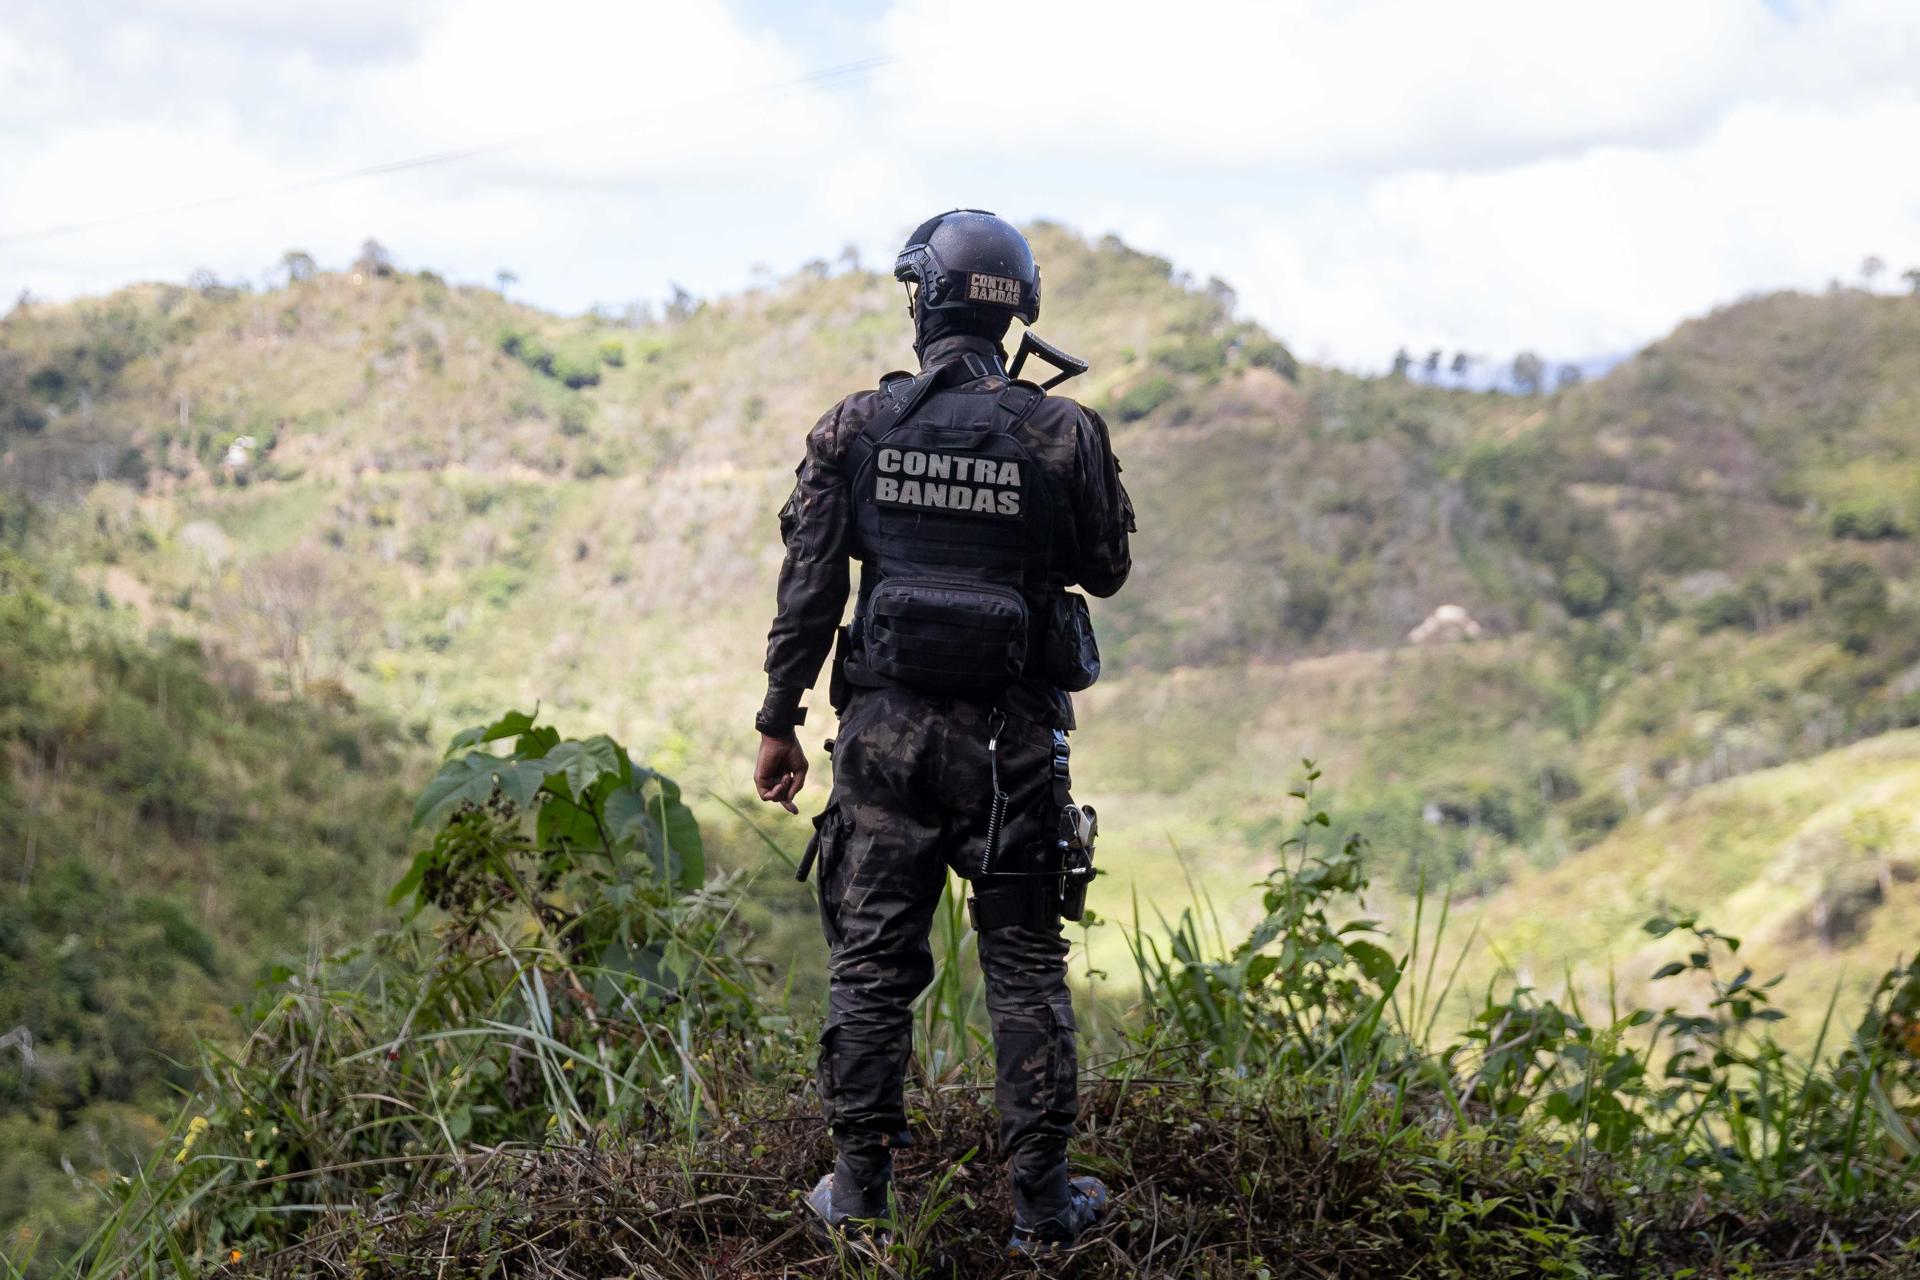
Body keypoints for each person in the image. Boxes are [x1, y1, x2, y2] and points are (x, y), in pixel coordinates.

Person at [752, 209, 1134, 1255]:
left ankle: (862, 1193)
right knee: (1022, 960)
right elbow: (1105, 567)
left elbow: (810, 588)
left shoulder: (854, 428)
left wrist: (778, 721)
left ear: (924, 299)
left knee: (873, 964)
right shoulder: (1062, 431)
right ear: (1020, 310)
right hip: (1011, 748)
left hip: (879, 740)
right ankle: (1044, 1208)